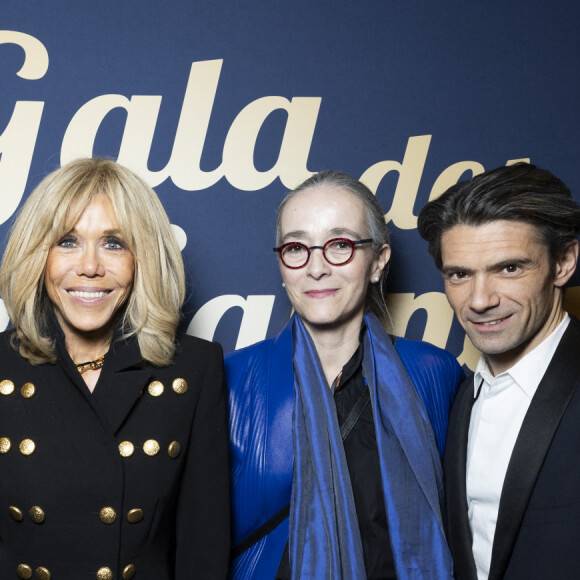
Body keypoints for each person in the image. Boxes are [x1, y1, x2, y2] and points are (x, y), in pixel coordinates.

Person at [226, 171, 463, 579]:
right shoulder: (229, 380)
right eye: (297, 247)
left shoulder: (434, 374)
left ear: (378, 262)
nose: (316, 268)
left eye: (340, 245)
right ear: (282, 265)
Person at [0, 158, 230, 579]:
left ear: (141, 257)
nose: (90, 266)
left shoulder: (194, 370)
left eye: (113, 243)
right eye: (67, 241)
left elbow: (203, 555)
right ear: (37, 255)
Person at [417, 162, 580, 580]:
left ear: (563, 263)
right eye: (459, 275)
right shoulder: (448, 394)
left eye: (508, 268)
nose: (480, 300)